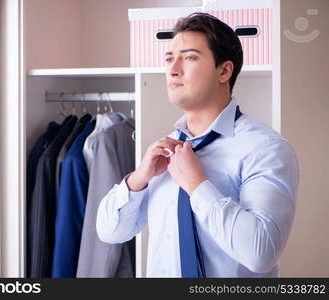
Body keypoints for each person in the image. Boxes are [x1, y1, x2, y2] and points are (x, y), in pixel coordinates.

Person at [96, 12, 299, 277]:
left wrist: (197, 186)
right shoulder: (165, 154)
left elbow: (260, 254)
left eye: (189, 57)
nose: (173, 69)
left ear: (224, 70)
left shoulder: (266, 149)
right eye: (169, 58)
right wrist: (138, 179)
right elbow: (109, 232)